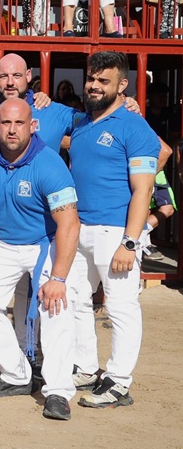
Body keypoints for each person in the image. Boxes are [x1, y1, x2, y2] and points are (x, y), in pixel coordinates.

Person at [0, 99, 81, 420]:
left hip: (44, 243)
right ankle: (16, 374)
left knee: (57, 307)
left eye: (20, 123)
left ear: (33, 126)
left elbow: (69, 224)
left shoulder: (50, 163)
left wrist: (58, 278)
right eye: (6, 123)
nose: (12, 130)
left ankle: (58, 391)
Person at [67, 52, 162, 409]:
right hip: (78, 229)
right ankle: (86, 368)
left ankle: (119, 381)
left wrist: (130, 242)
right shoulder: (81, 122)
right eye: (91, 78)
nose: (94, 85)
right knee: (76, 300)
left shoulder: (135, 127)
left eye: (103, 80)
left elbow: (143, 189)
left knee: (121, 308)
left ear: (122, 85)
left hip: (115, 233)